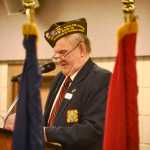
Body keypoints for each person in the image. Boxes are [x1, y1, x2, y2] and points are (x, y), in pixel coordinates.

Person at [43, 18, 111, 150]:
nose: (58, 60)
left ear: (82, 49)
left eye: (63, 53)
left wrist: (46, 133)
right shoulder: (59, 78)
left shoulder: (102, 79)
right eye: (55, 54)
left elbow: (93, 130)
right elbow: (50, 119)